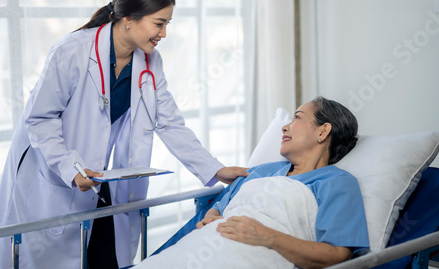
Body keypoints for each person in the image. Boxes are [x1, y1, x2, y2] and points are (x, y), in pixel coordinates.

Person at [0, 0, 248, 269]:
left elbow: (169, 123)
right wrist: (70, 167)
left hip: (96, 177)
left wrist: (215, 168)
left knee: (103, 253)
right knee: (43, 256)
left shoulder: (151, 63)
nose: (163, 34)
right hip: (50, 173)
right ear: (129, 18)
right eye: (159, 23)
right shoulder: (72, 52)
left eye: (166, 25)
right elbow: (40, 119)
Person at [136, 97, 370, 269]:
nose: (285, 126)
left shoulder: (337, 183)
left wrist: (268, 236)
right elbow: (219, 208)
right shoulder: (259, 172)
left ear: (324, 130)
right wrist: (211, 216)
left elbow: (337, 255)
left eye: (297, 118)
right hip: (199, 250)